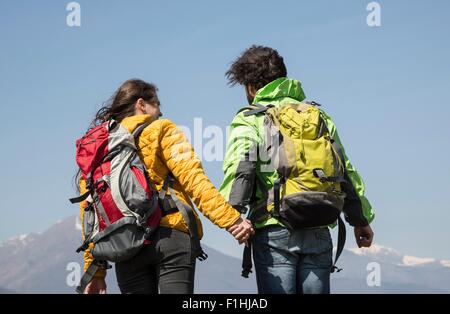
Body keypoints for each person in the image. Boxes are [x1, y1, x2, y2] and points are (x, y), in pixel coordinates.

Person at [219, 45, 375, 294]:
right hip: (319, 225)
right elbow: (344, 171)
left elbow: (241, 168)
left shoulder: (251, 118)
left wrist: (232, 215)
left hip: (273, 229)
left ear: (250, 87)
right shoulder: (318, 116)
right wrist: (360, 220)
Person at [78, 79, 254, 294]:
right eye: (157, 105)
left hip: (125, 244)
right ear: (141, 104)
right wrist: (232, 221)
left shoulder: (99, 148)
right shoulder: (161, 129)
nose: (160, 112)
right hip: (170, 236)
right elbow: (194, 181)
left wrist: (95, 271)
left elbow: (91, 213)